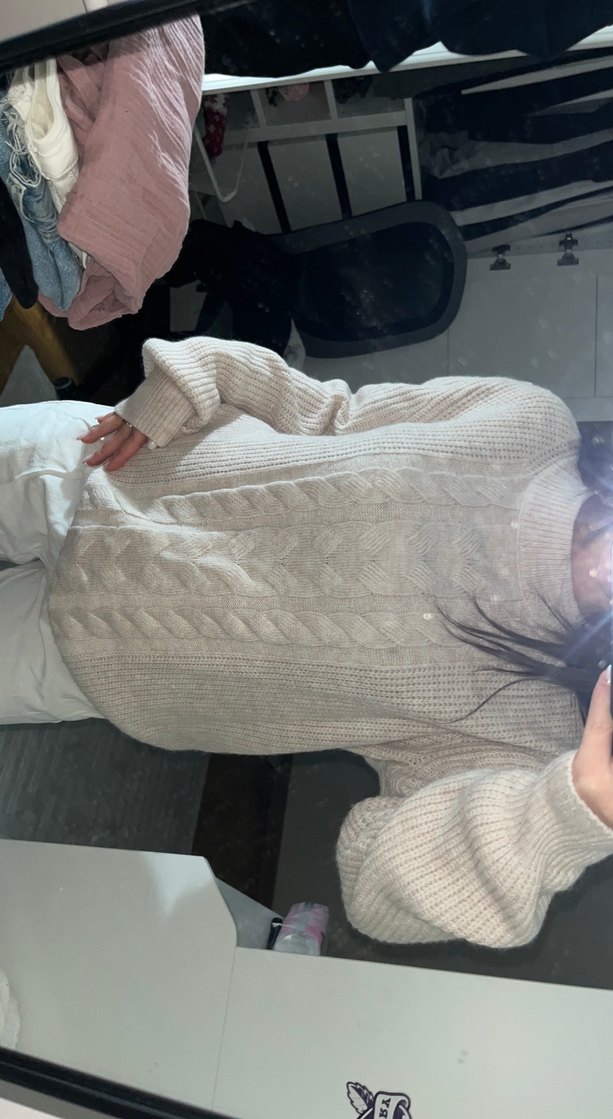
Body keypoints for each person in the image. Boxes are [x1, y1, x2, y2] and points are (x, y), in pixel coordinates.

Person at [2, 335, 613, 949]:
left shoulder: (533, 738)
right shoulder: (530, 425)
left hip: (97, 657)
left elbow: (375, 887)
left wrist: (561, 819)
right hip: (95, 469)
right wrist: (184, 387)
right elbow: (323, 410)